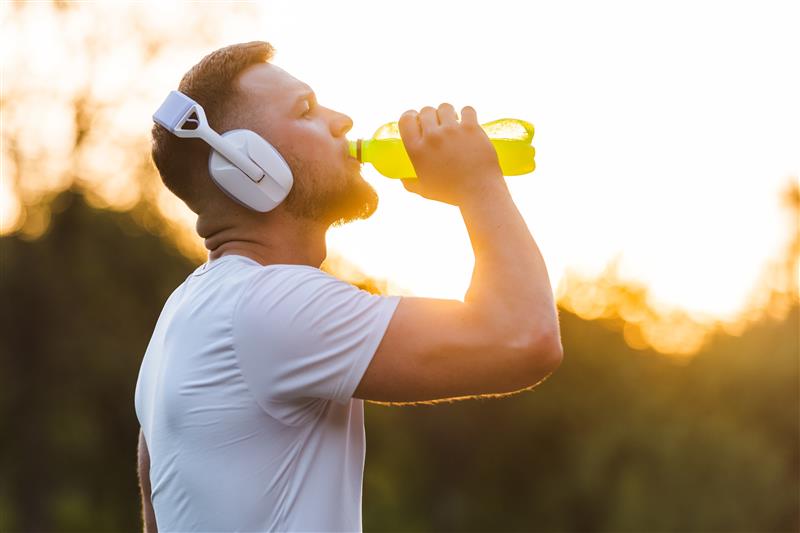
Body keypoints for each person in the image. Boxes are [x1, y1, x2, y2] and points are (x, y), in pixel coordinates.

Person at [135, 40, 563, 532]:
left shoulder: (182, 314)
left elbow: (157, 517)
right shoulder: (269, 305)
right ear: (250, 167)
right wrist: (478, 183)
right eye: (307, 111)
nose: (341, 121)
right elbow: (523, 337)